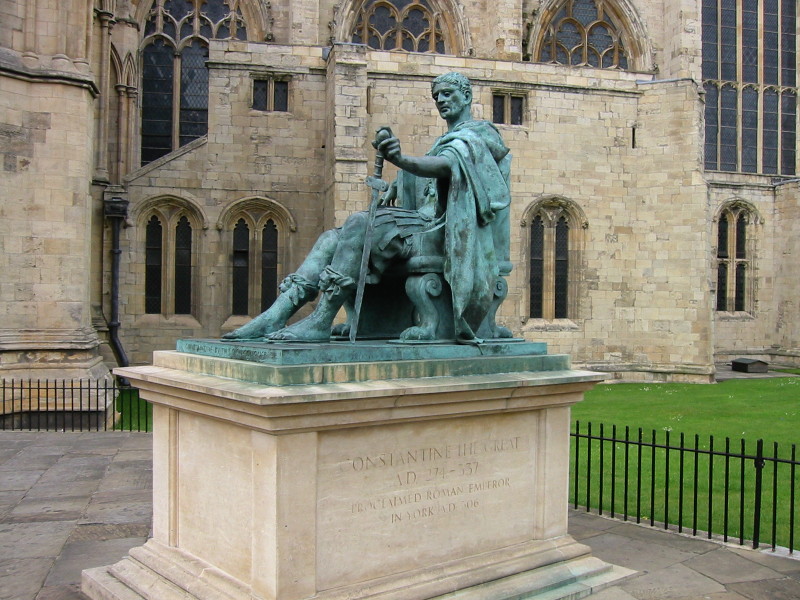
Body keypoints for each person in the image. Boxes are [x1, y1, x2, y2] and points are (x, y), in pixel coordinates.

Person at [222, 72, 511, 343]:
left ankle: (321, 320)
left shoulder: (479, 136)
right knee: (330, 238)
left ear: (467, 95)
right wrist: (400, 182)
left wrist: (402, 161)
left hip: (446, 232)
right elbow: (431, 175)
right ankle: (276, 315)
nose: (442, 101)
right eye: (437, 97)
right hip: (420, 224)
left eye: (447, 94)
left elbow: (447, 166)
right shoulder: (446, 141)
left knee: (360, 223)